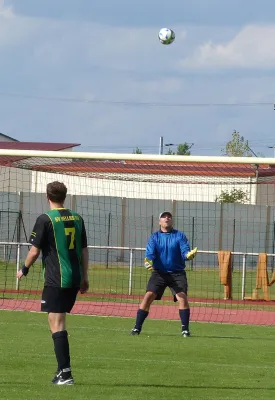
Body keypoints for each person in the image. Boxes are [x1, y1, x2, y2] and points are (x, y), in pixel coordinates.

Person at [16, 181, 89, 385]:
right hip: (74, 278)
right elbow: (83, 250)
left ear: (47, 196)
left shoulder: (45, 219)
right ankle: (61, 371)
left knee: (56, 324)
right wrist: (85, 277)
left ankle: (65, 374)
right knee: (58, 323)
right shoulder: (77, 218)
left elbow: (35, 250)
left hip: (57, 279)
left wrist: (24, 269)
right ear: (65, 196)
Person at [131, 211, 197, 337]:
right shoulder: (154, 237)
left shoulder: (179, 236)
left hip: (177, 273)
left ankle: (185, 330)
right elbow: (150, 254)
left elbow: (185, 251)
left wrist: (188, 255)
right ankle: (136, 328)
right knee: (148, 296)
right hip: (159, 273)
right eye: (164, 216)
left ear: (172, 221)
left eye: (169, 217)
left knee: (182, 297)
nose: (167, 218)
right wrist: (148, 261)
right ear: (159, 221)